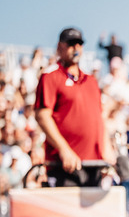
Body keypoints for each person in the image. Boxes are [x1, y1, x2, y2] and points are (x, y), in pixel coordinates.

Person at [34, 27, 115, 186]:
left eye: (79, 44)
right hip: (64, 166)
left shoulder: (91, 81)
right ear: (60, 47)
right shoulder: (50, 76)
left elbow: (99, 118)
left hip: (93, 165)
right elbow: (42, 116)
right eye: (70, 44)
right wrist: (64, 149)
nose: (75, 48)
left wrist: (106, 149)